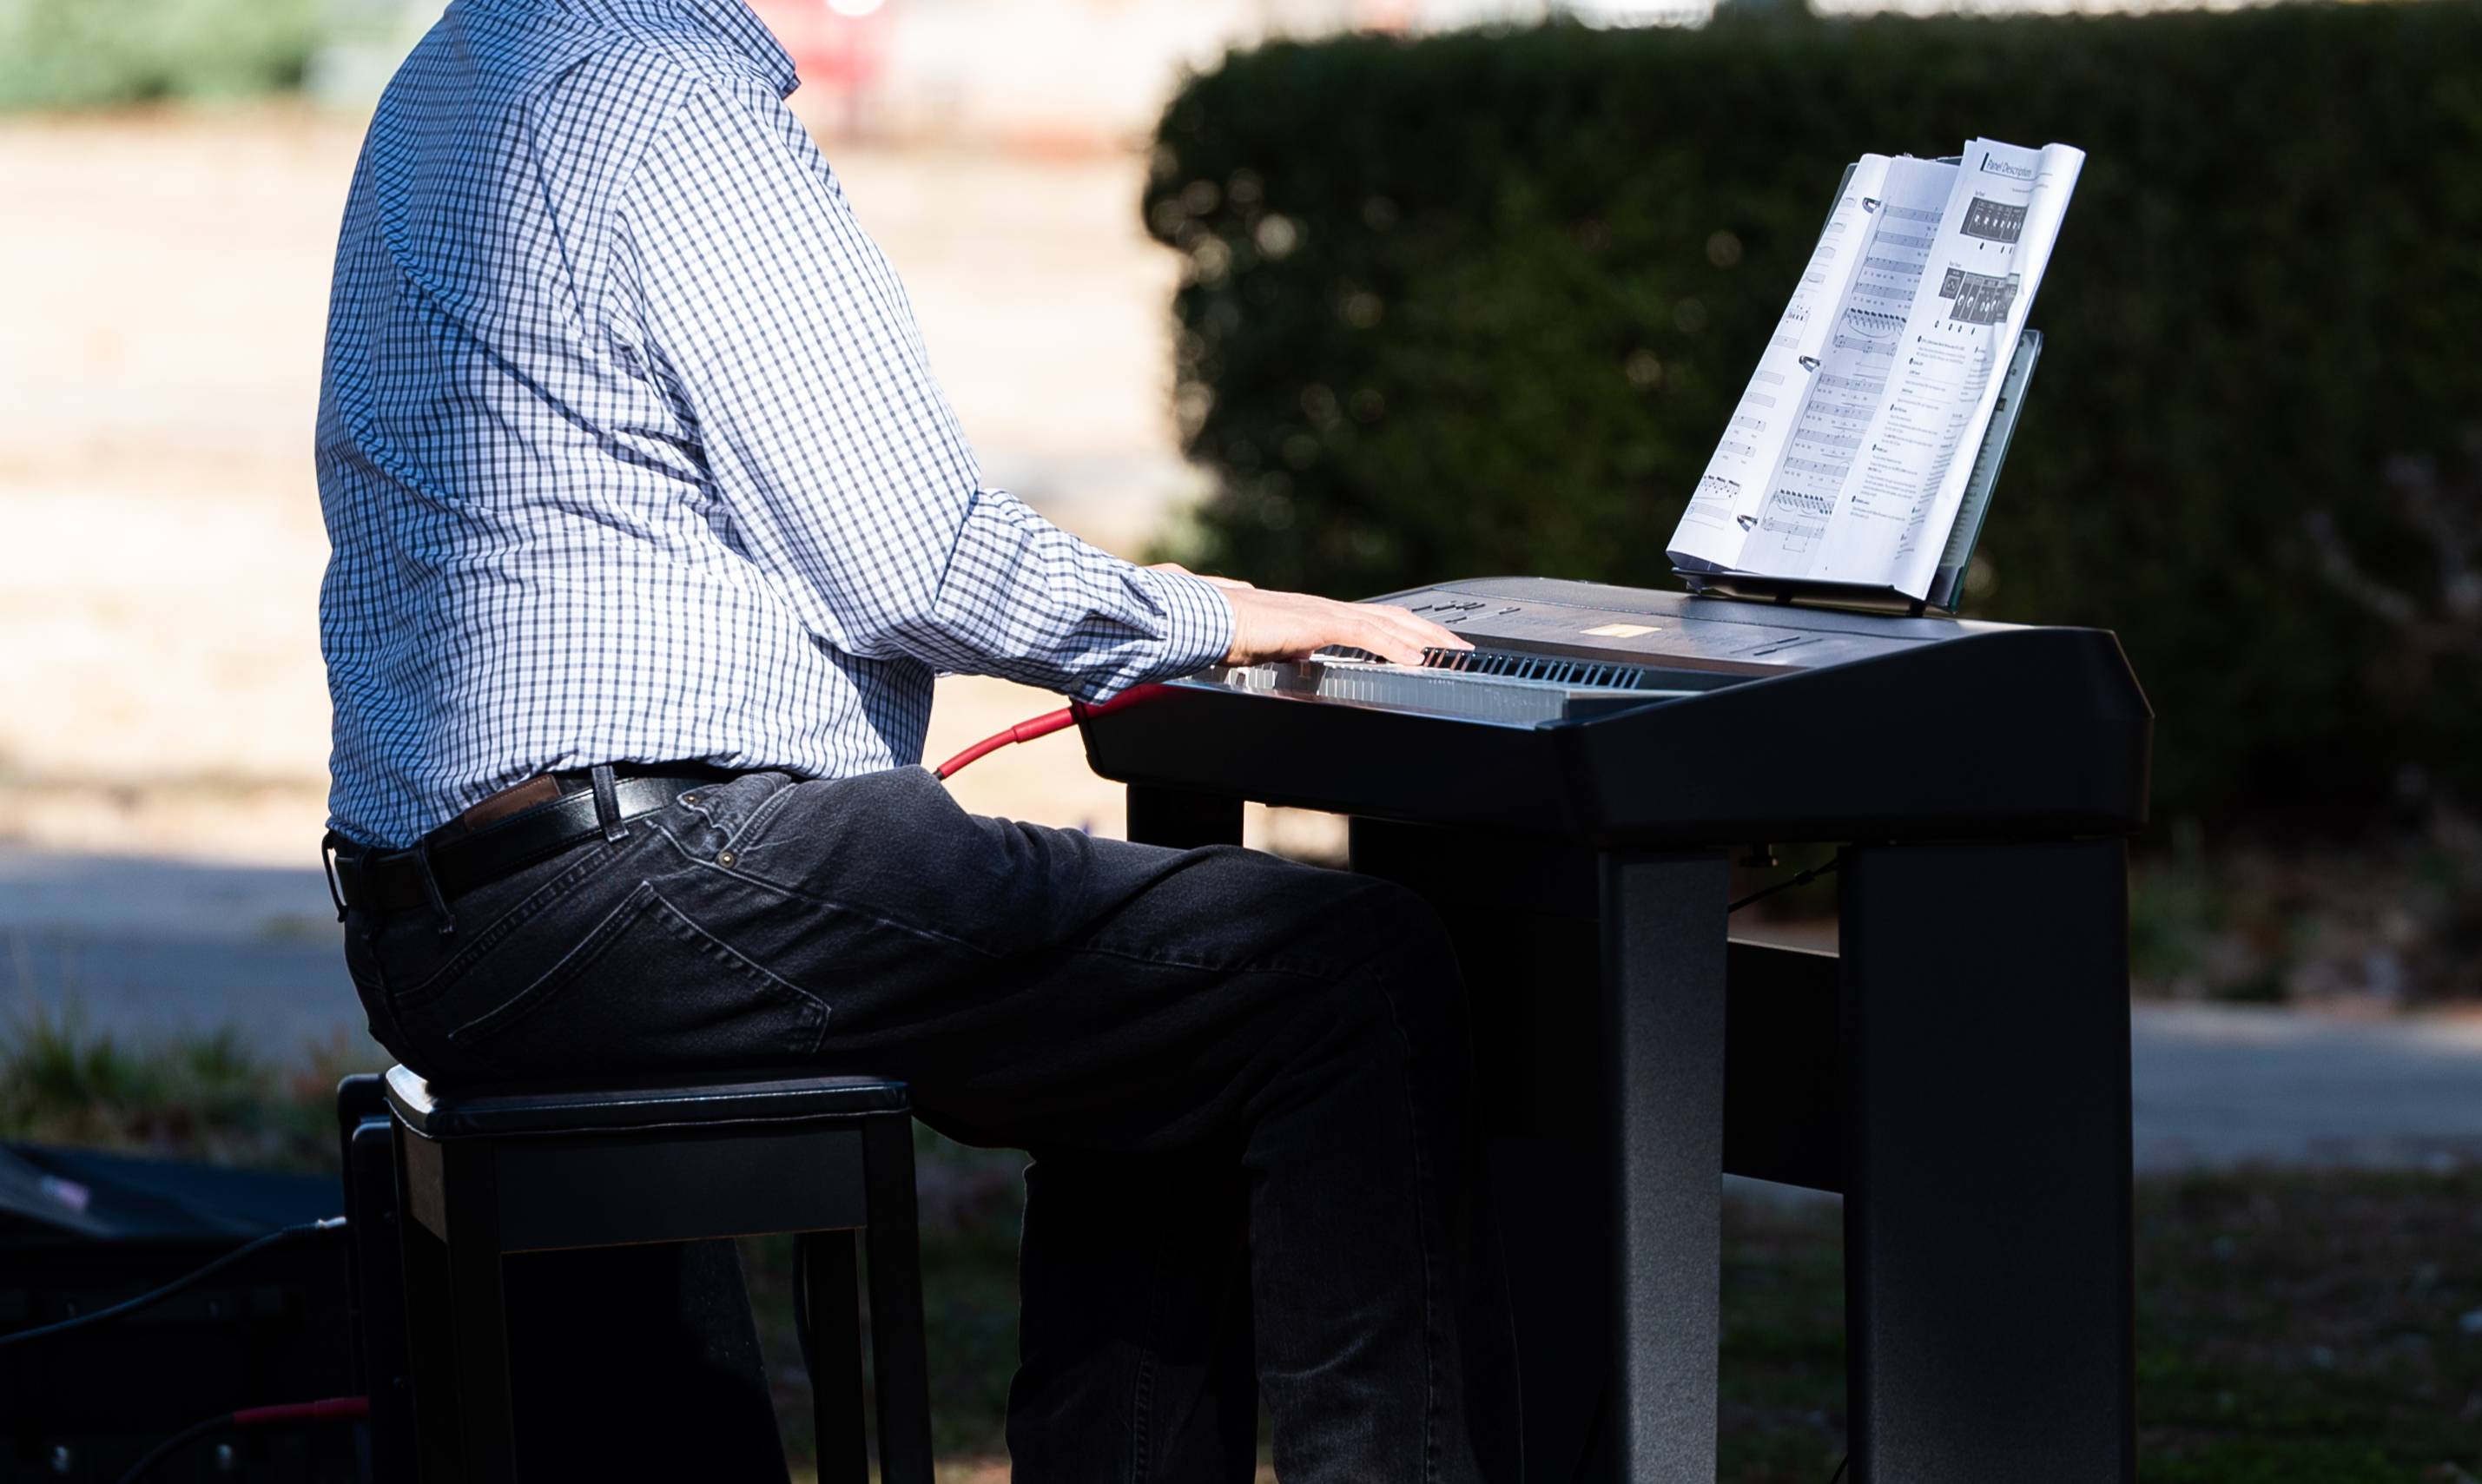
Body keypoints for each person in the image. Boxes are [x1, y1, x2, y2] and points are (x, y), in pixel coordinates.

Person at [316, 1, 1514, 1478]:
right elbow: (910, 561)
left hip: (438, 916)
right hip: (647, 879)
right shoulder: (665, 96)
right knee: (1345, 977)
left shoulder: (463, 67)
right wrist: (1212, 613)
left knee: (1164, 1018)